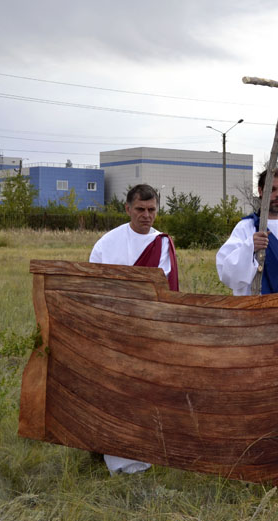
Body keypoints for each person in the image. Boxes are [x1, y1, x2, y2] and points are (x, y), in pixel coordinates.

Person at [89, 183, 179, 474]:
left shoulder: (162, 244)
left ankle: (140, 457)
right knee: (113, 393)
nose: (146, 215)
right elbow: (95, 287)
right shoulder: (107, 243)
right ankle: (109, 452)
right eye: (140, 209)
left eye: (151, 209)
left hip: (147, 331)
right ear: (127, 209)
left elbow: (163, 291)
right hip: (114, 330)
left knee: (143, 394)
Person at [216, 168, 278, 295]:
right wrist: (250, 247)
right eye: (272, 189)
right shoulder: (245, 228)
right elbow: (228, 274)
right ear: (260, 191)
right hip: (254, 305)